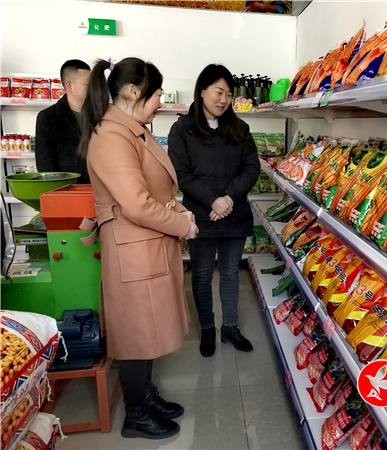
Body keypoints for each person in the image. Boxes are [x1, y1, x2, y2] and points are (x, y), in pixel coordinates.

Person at [79, 57, 199, 440]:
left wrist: (178, 210)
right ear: (133, 92)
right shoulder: (112, 135)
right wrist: (182, 224)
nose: (161, 102)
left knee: (147, 329)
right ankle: (136, 414)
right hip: (132, 247)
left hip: (145, 244)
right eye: (157, 94)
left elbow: (152, 191)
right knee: (136, 334)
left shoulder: (131, 130)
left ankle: (145, 396)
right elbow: (137, 204)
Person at [168, 64, 260, 358]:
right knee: (202, 274)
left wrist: (229, 198)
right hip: (201, 216)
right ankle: (207, 328)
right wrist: (213, 201)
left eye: (229, 94)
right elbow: (181, 174)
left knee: (231, 272)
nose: (223, 100)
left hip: (234, 212)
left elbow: (251, 168)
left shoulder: (240, 128)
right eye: (218, 92)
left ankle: (230, 327)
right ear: (202, 90)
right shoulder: (182, 129)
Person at [36, 59, 91, 182]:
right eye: (87, 84)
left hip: (98, 188)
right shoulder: (48, 117)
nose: (93, 88)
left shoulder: (100, 114)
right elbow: (45, 165)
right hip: (66, 188)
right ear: (69, 86)